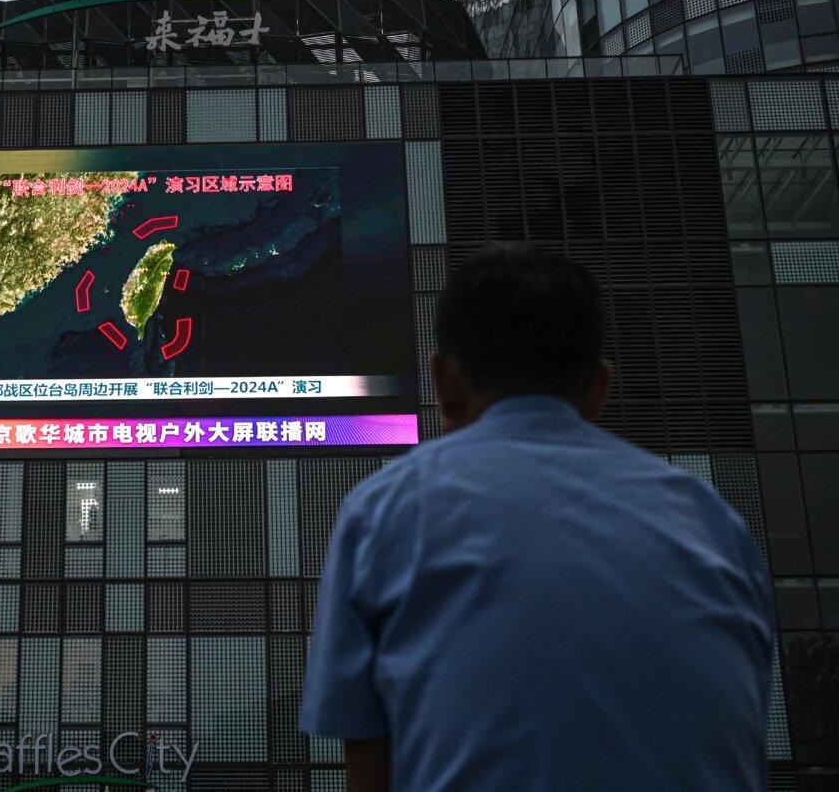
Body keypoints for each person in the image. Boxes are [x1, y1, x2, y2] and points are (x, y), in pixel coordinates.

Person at [299, 243, 774, 791]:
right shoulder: (711, 520)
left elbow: (371, 770)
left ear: (446, 383)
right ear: (599, 387)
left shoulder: (384, 511)